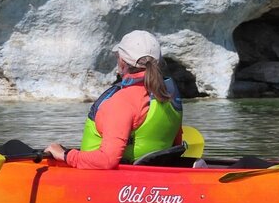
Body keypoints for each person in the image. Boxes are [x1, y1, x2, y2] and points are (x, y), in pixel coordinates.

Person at [45, 30, 183, 169]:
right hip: (152, 179)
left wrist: (65, 155)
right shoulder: (169, 94)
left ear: (122, 61)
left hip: (104, 180)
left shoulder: (121, 102)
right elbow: (175, 145)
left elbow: (107, 160)